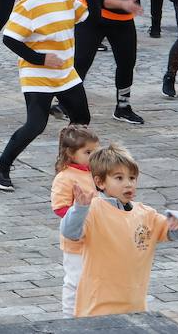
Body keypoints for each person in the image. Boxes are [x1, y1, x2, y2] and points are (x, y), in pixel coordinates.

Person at [0, 0, 90, 192]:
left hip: (65, 74)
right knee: (35, 125)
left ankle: (69, 168)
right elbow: (10, 39)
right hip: (37, 76)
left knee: (82, 119)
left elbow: (84, 15)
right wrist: (41, 58)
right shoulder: (28, 3)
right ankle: (1, 166)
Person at [59, 143, 178, 317]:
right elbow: (70, 232)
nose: (128, 184)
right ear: (100, 182)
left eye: (132, 178)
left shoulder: (146, 214)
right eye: (119, 178)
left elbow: (173, 233)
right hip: (97, 308)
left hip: (135, 306)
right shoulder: (93, 210)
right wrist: (79, 209)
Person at [50, 125, 100, 317]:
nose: (93, 156)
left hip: (97, 239)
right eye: (88, 152)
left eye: (96, 151)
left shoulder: (96, 173)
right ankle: (69, 317)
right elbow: (60, 208)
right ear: (70, 153)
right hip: (76, 243)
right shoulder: (65, 177)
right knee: (75, 281)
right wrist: (80, 215)